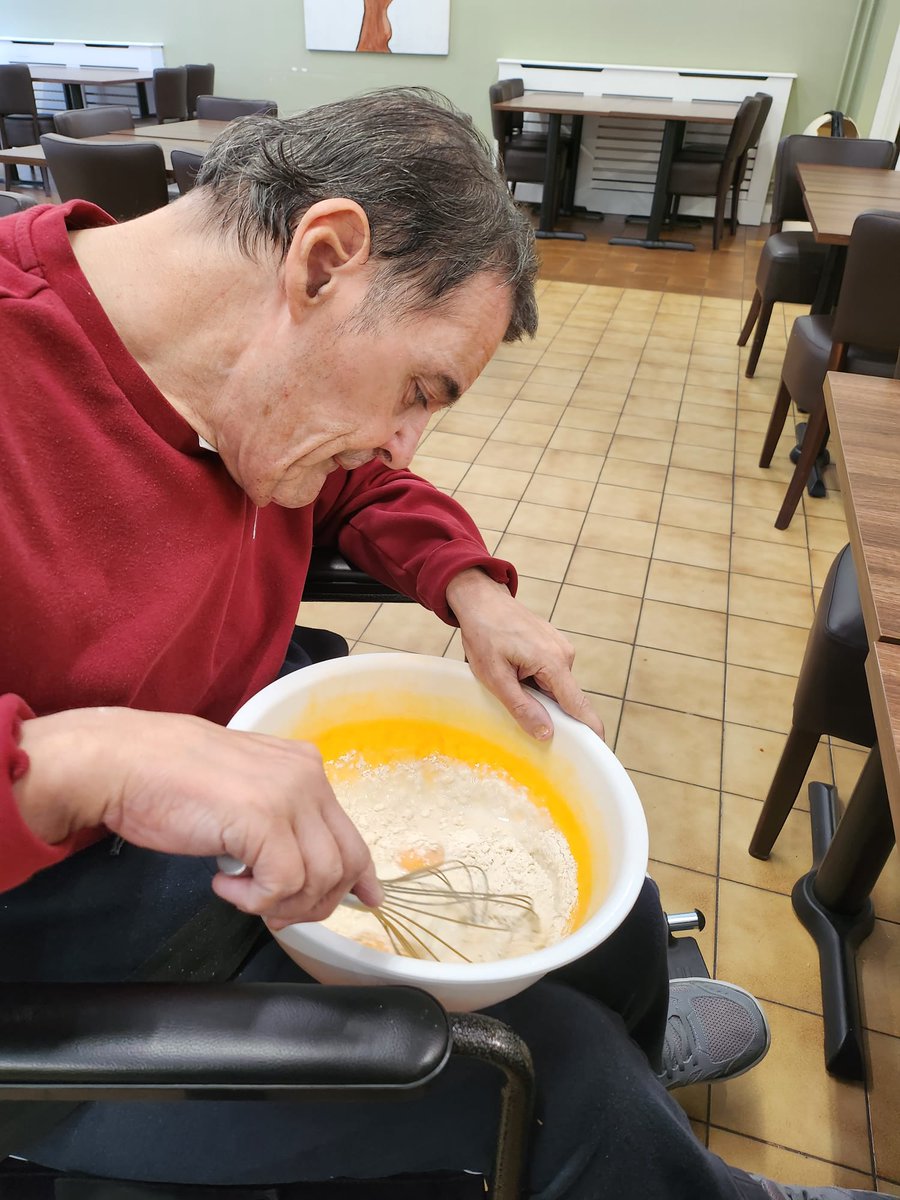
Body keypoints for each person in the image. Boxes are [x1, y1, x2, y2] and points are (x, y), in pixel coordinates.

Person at [0, 89, 874, 1200]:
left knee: (620, 924)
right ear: (324, 261)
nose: (403, 439)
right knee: (565, 1083)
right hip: (72, 977)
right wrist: (89, 762)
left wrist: (466, 583)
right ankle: (637, 1148)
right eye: (418, 390)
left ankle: (643, 1108)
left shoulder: (241, 368)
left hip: (236, 818)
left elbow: (361, 477)